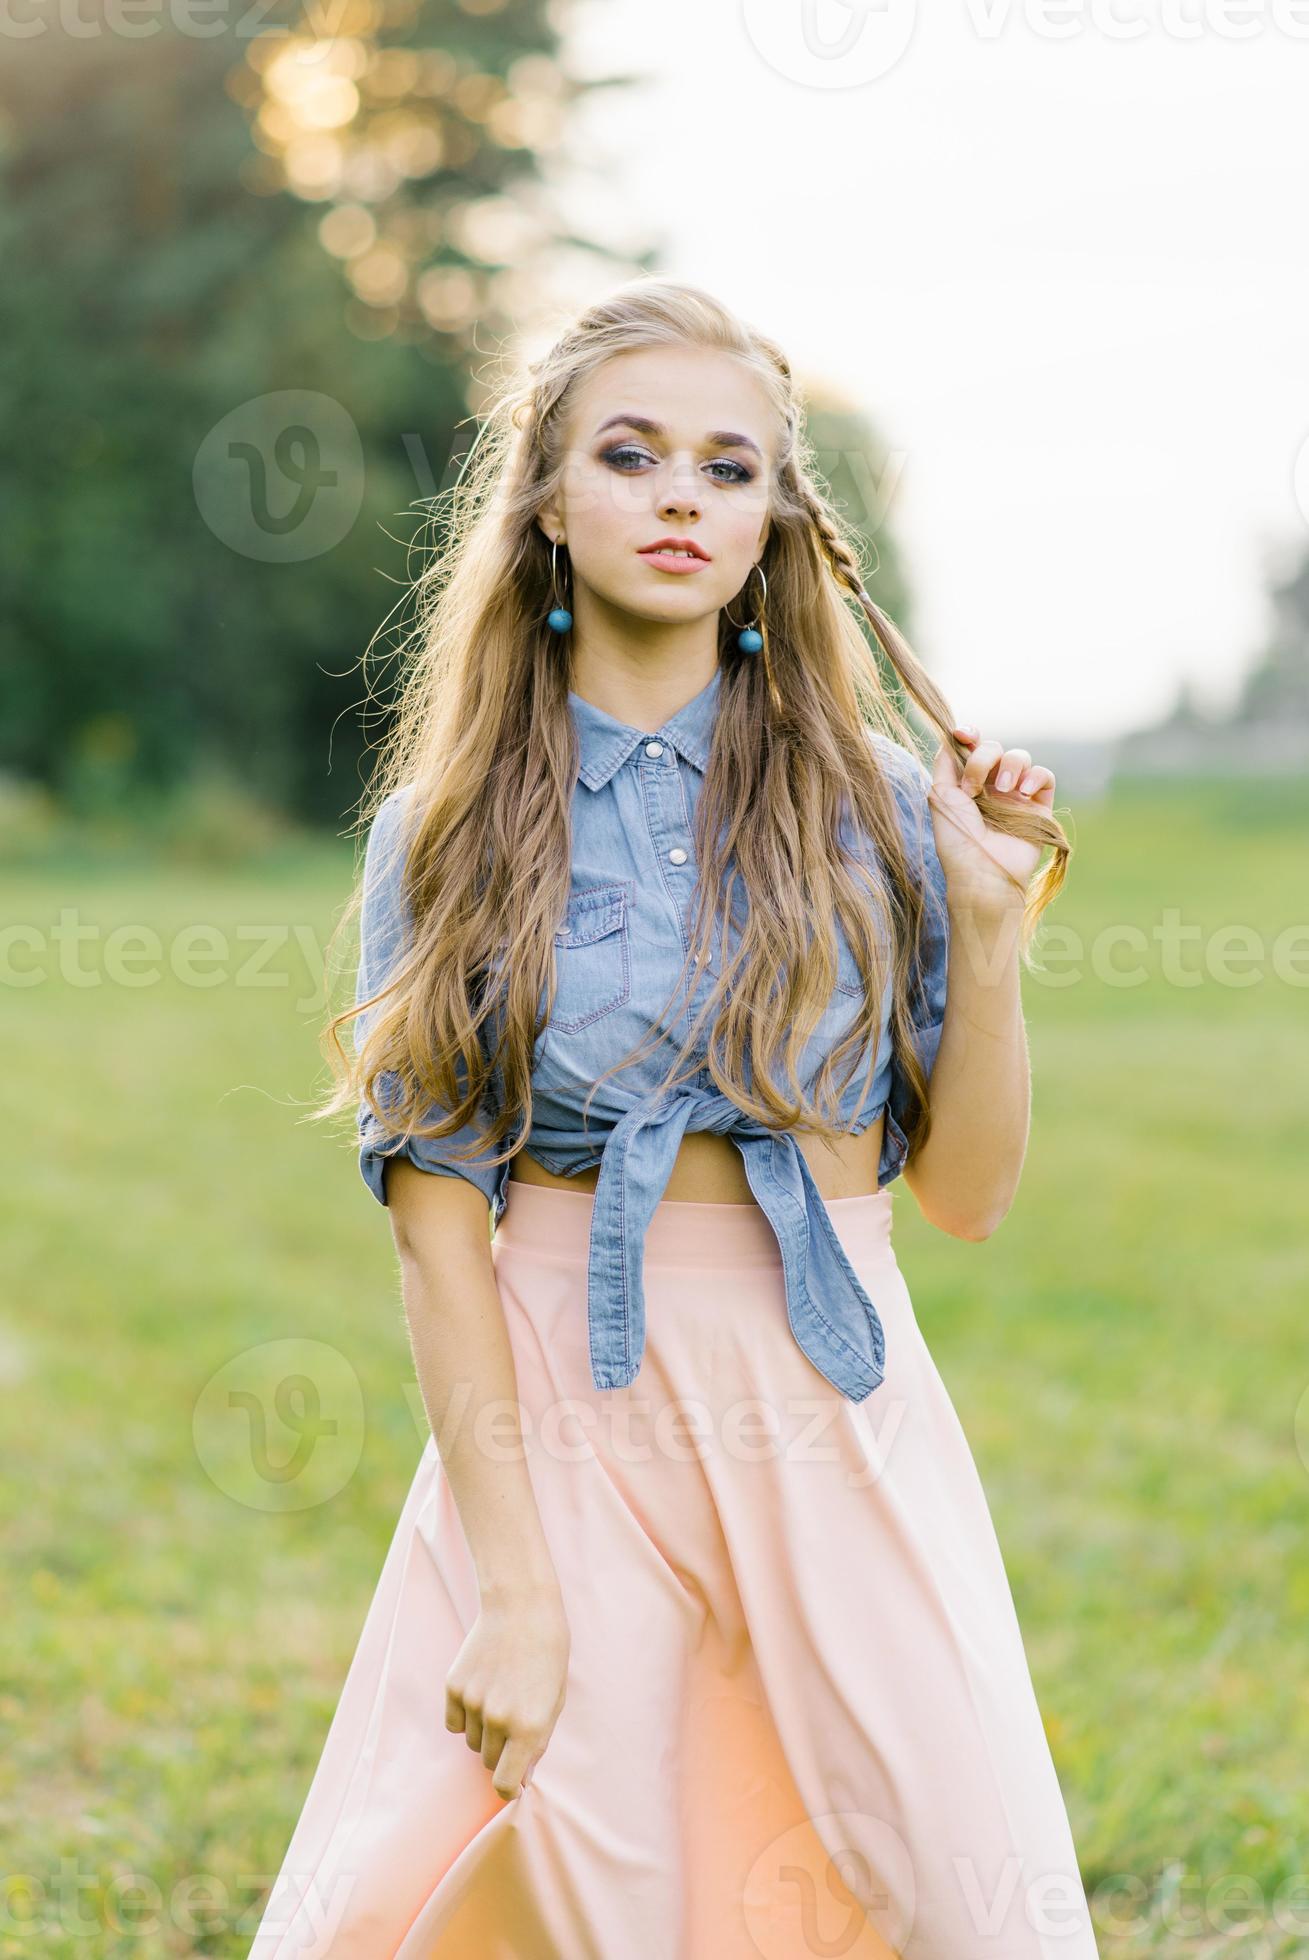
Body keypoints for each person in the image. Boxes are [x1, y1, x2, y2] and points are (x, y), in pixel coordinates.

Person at [249, 278, 1100, 1958]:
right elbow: (439, 1239)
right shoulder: (446, 829)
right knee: (553, 1864)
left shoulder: (875, 806)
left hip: (829, 1390)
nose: (680, 499)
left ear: (776, 516)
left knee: (940, 1879)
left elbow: (971, 1200)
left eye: (728, 467)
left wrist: (989, 940)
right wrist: (511, 1585)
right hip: (566, 1391)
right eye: (630, 456)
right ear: (548, 506)